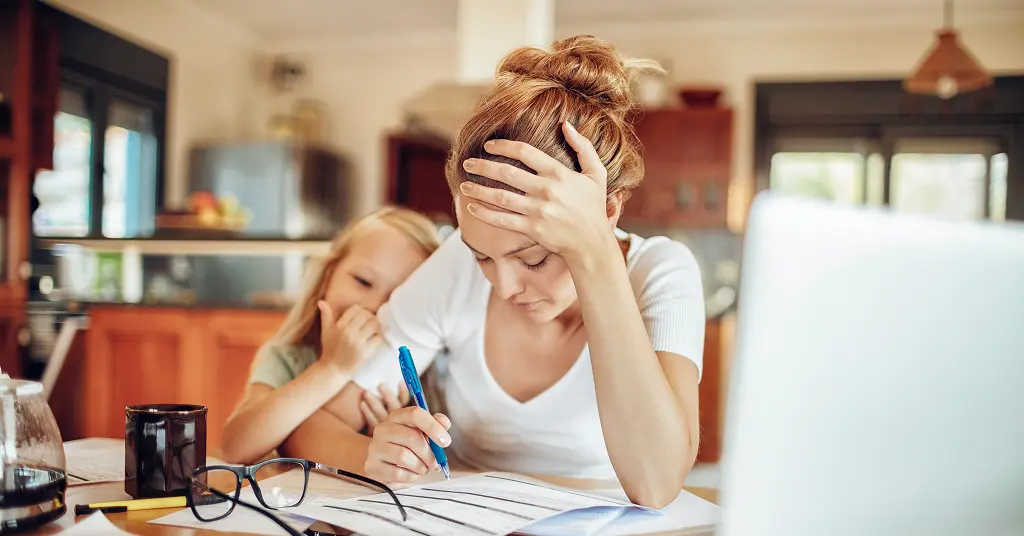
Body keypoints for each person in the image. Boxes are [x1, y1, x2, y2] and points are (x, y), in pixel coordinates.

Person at [281, 35, 705, 509]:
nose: (502, 286)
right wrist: (375, 455)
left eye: (533, 259)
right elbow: (312, 426)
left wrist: (597, 259)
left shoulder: (660, 272)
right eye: (482, 256)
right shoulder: (455, 269)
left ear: (607, 212)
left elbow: (657, 483)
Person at [220, 206, 442, 464]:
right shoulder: (290, 356)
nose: (374, 305)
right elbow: (235, 447)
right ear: (328, 276)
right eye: (363, 281)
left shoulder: (425, 370)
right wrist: (333, 368)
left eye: (397, 298)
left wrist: (388, 436)